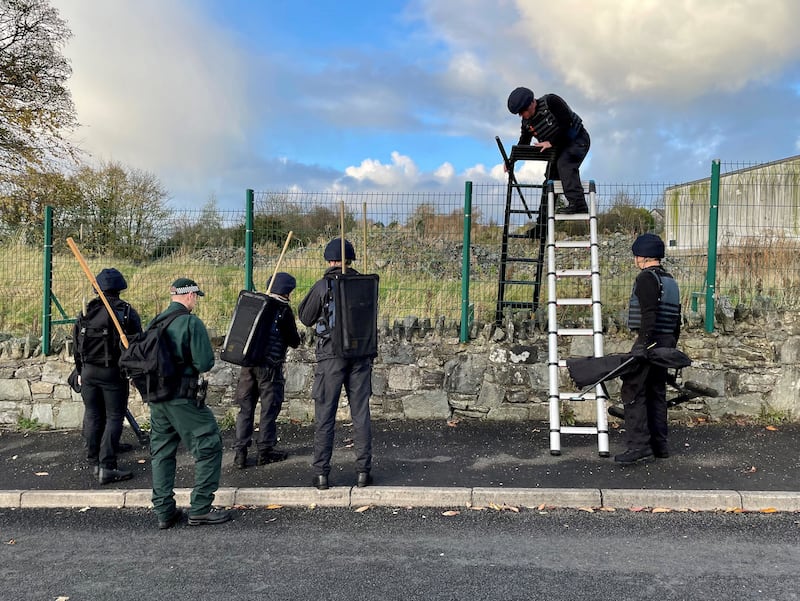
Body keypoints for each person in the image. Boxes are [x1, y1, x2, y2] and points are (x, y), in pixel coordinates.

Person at [148, 277, 230, 529]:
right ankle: (200, 508)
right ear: (190, 296)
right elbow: (204, 363)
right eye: (196, 296)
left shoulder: (155, 322)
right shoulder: (190, 323)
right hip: (182, 397)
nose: (196, 301)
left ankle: (164, 512)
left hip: (156, 397)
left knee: (162, 452)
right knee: (209, 445)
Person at [298, 238, 374, 490]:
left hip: (331, 355)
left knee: (325, 413)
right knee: (360, 412)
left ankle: (321, 474)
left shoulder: (324, 285)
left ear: (329, 260)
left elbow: (306, 317)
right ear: (350, 260)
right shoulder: (365, 284)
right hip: (361, 354)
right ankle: (363, 471)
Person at [615, 234, 682, 464]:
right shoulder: (670, 280)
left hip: (650, 342)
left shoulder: (646, 278)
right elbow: (676, 320)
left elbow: (649, 313)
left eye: (635, 255)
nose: (635, 259)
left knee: (633, 391)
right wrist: (671, 346)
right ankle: (659, 446)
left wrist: (642, 345)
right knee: (656, 393)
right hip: (666, 343)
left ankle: (639, 446)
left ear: (641, 256)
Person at [73, 268, 142, 485]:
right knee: (114, 417)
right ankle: (107, 466)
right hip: (113, 372)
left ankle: (94, 457)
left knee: (93, 413)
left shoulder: (87, 311)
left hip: (88, 371)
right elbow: (137, 345)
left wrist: (79, 371)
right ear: (120, 287)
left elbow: (77, 344)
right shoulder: (126, 312)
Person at [232, 272, 301, 469]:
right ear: (286, 292)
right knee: (269, 408)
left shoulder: (254, 305)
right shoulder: (283, 310)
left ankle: (240, 453)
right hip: (269, 367)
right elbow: (294, 341)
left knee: (245, 409)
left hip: (248, 365)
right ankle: (265, 450)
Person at [506, 86, 590, 214]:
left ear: (532, 102)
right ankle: (541, 227)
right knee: (549, 181)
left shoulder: (551, 102)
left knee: (564, 164)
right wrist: (511, 160)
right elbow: (523, 143)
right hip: (558, 149)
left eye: (523, 110)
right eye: (519, 113)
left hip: (577, 140)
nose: (522, 115)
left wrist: (551, 142)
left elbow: (566, 123)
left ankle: (578, 204)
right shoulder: (527, 123)